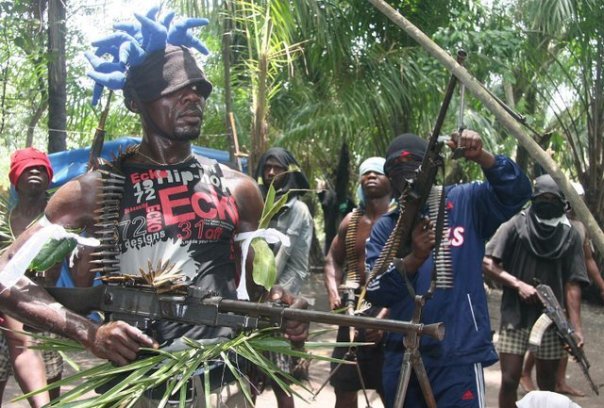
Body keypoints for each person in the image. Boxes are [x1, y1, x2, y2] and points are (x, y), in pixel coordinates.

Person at [365, 131, 532, 408]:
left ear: (432, 167)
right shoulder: (387, 226)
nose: (406, 175)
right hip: (403, 352)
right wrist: (415, 258)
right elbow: (376, 290)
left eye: (415, 164)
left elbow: (518, 192)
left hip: (458, 352)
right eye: (396, 167)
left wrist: (482, 157)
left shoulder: (466, 201)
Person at [483, 174, 589, 408]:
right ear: (533, 198)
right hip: (515, 316)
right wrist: (518, 284)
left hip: (552, 320)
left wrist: (576, 328)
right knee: (509, 380)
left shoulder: (570, 234)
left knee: (547, 385)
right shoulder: (516, 224)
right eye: (543, 198)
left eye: (553, 199)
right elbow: (487, 262)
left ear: (563, 202)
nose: (548, 203)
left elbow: (573, 283)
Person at [519, 181, 603, 397]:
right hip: (548, 287)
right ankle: (526, 373)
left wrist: (602, 285)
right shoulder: (546, 222)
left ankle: (559, 381)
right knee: (543, 334)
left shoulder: (579, 227)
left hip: (569, 287)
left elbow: (588, 259)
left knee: (565, 336)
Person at [323, 157, 392, 408]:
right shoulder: (351, 221)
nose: (371, 176)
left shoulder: (402, 221)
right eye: (366, 173)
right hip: (353, 308)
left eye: (378, 172)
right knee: (344, 387)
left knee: (393, 389)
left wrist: (385, 318)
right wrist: (333, 292)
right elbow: (332, 259)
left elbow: (414, 273)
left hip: (390, 310)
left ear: (391, 180)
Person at [0, 147, 62, 407]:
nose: (35, 170)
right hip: (3, 311)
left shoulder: (60, 219)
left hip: (43, 310)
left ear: (49, 178)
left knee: (50, 383)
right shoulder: (2, 222)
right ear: (15, 177)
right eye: (28, 167)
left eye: (41, 168)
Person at [253, 147, 313, 408]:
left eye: (277, 168)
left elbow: (293, 264)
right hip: (251, 298)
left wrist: (271, 294)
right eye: (267, 167)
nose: (271, 173)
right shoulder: (255, 203)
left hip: (279, 300)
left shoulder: (298, 210)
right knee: (248, 374)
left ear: (288, 172)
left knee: (280, 377)